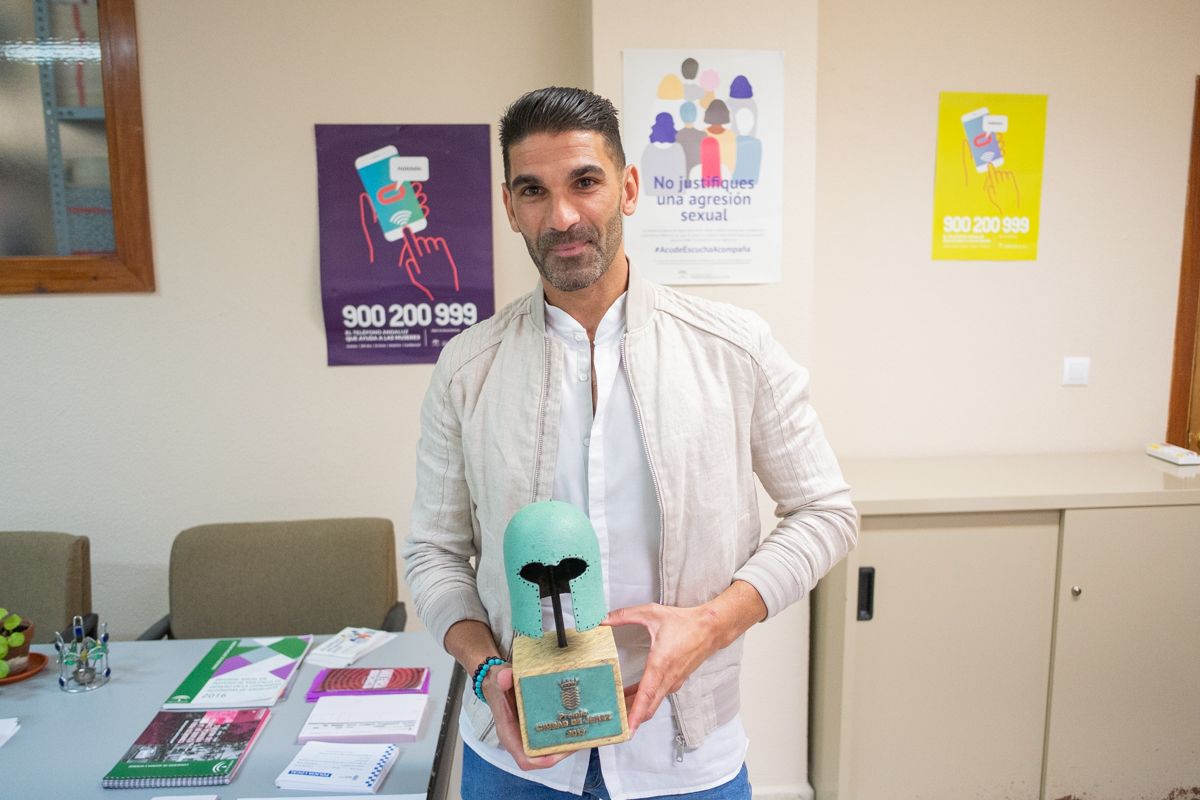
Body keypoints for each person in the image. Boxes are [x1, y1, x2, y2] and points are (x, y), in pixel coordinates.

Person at [403, 86, 857, 800]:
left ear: (630, 187)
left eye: (585, 181)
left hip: (685, 758)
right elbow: (433, 552)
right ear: (510, 206)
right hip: (518, 762)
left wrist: (709, 626)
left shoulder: (733, 350)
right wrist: (487, 669)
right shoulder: (468, 369)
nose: (562, 216)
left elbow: (826, 512)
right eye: (534, 190)